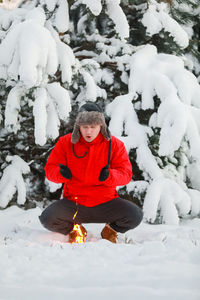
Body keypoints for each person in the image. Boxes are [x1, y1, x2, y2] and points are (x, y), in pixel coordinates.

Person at [39, 102, 143, 243]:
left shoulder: (115, 145)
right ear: (78, 127)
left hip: (106, 202)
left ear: (101, 126)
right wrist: (61, 174)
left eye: (93, 127)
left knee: (134, 215)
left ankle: (110, 231)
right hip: (74, 203)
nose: (88, 132)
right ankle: (75, 230)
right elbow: (50, 170)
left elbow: (125, 174)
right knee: (47, 218)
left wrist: (110, 176)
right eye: (85, 127)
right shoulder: (65, 143)